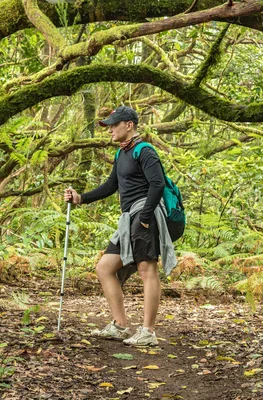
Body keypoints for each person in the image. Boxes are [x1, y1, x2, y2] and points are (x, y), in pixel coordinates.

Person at [64, 105, 176, 347]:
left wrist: (145, 219)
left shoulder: (145, 151)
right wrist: (80, 198)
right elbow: (110, 186)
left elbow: (156, 185)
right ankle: (120, 325)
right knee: (104, 267)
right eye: (109, 126)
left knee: (148, 271)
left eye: (114, 125)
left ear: (129, 125)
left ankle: (148, 331)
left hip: (144, 215)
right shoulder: (121, 154)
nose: (110, 130)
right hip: (128, 220)